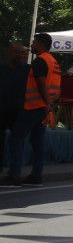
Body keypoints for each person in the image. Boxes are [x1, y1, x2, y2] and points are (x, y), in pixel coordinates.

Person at [5, 33, 58, 186]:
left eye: (34, 42)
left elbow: (41, 83)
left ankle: (14, 175)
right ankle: (36, 176)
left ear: (41, 44)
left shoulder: (39, 61)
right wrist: (50, 105)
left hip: (34, 106)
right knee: (37, 142)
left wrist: (47, 103)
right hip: (44, 108)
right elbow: (55, 86)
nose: (32, 45)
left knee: (16, 138)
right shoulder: (53, 61)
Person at [0, 43, 30, 174]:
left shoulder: (28, 70)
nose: (20, 55)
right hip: (2, 109)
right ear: (9, 53)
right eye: (16, 52)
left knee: (17, 141)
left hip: (19, 110)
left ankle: (15, 170)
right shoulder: (2, 68)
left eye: (22, 53)